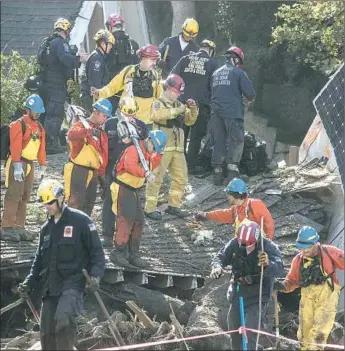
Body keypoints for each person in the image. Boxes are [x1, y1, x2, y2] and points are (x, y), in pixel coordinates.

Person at [17, 179, 105, 350]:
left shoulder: (81, 221)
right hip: (51, 287)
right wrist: (28, 282)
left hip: (73, 284)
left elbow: (97, 253)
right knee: (46, 332)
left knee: (63, 320)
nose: (47, 206)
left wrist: (96, 276)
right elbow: (39, 261)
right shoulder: (46, 229)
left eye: (50, 202)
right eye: (44, 203)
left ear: (60, 198)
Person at [210, 220, 284, 351]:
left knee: (250, 331)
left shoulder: (268, 247)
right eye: (242, 244)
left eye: (249, 245)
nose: (245, 248)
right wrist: (217, 267)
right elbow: (221, 256)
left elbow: (279, 267)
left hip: (257, 295)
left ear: (256, 239)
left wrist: (268, 264)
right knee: (234, 329)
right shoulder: (234, 243)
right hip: (237, 293)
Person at [274, 226, 344, 351]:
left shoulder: (329, 252)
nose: (304, 251)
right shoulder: (298, 260)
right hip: (306, 298)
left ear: (315, 243)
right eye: (301, 248)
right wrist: (281, 285)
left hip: (326, 296)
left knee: (319, 332)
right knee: (304, 335)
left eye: (307, 247)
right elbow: (292, 282)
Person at [144, 74, 199, 220]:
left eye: (179, 93)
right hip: (162, 149)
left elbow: (189, 121)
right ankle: (149, 208)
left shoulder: (178, 105)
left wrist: (192, 109)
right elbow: (159, 115)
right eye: (175, 92)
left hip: (178, 148)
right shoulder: (158, 103)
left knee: (181, 178)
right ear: (168, 88)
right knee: (156, 178)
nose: (177, 95)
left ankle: (174, 205)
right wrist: (179, 110)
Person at [110, 130, 167, 267]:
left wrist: (159, 154)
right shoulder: (133, 149)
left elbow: (152, 164)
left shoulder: (146, 155)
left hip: (133, 190)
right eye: (155, 147)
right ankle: (118, 252)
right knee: (125, 221)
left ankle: (133, 254)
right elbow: (130, 166)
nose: (154, 150)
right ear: (150, 141)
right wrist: (145, 174)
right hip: (123, 188)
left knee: (138, 221)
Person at [37, 17, 88, 154]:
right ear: (66, 30)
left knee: (45, 113)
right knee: (54, 114)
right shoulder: (60, 43)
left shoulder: (47, 43)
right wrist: (79, 59)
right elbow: (65, 58)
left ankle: (41, 143)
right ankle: (50, 145)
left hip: (44, 83)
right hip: (56, 85)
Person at [102, 96, 148, 245]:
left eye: (132, 114)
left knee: (129, 205)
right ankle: (108, 235)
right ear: (120, 111)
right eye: (127, 114)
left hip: (130, 173)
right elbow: (103, 147)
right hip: (111, 168)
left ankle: (126, 237)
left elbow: (146, 149)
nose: (129, 117)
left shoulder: (141, 126)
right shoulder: (109, 124)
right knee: (109, 201)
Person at [1, 94, 47, 241]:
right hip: (18, 163)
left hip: (30, 164)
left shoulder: (39, 127)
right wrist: (16, 165)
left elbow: (41, 148)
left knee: (25, 196)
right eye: (36, 110)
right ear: (28, 110)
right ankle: (7, 227)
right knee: (14, 195)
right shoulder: (18, 124)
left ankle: (19, 227)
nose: (38, 113)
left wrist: (42, 165)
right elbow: (15, 145)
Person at [210, 46, 256, 185]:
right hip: (232, 113)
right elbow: (251, 94)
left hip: (216, 113)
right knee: (236, 140)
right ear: (235, 59)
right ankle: (232, 175)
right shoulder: (238, 72)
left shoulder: (215, 73)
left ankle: (217, 174)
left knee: (219, 141)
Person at [171, 39, 218, 173]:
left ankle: (177, 166)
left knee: (181, 134)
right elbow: (214, 85)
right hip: (200, 105)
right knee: (196, 136)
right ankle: (190, 166)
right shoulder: (212, 63)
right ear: (211, 51)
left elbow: (172, 78)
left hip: (181, 102)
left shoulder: (185, 59)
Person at [92, 44, 161, 129]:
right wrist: (100, 93)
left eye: (155, 60)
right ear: (144, 58)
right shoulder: (128, 71)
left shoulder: (156, 77)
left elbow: (160, 98)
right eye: (152, 60)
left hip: (146, 124)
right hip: (126, 119)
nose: (154, 63)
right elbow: (112, 87)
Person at [64, 99, 111, 216]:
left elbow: (102, 155)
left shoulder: (101, 132)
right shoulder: (81, 124)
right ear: (96, 112)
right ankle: (69, 231)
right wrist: (87, 132)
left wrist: (102, 176)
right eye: (104, 115)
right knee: (75, 203)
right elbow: (71, 134)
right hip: (78, 169)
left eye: (106, 117)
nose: (105, 119)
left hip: (93, 172)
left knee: (89, 203)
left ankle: (83, 231)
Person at [195, 178, 275, 239]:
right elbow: (223, 214)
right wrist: (206, 215)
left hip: (257, 244)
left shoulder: (255, 204)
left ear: (236, 195)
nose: (228, 197)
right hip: (242, 244)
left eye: (229, 194)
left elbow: (269, 223)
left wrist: (267, 243)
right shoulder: (236, 209)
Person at [105, 13, 139, 112]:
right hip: (131, 86)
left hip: (113, 87)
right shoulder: (133, 43)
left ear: (109, 27)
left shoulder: (107, 44)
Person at [80, 29, 115, 112]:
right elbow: (95, 85)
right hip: (92, 99)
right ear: (103, 44)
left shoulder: (99, 57)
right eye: (110, 44)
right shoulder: (97, 59)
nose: (111, 47)